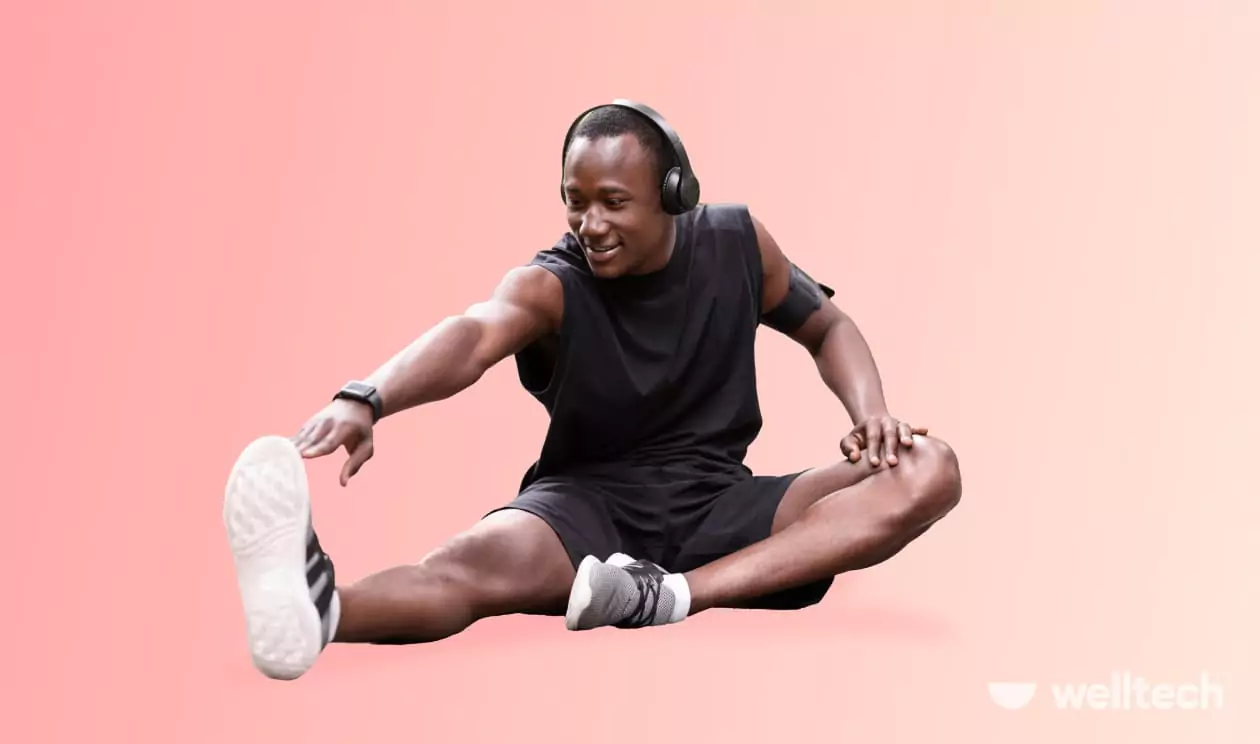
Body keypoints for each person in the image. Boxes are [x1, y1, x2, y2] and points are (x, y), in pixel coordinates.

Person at [223, 99, 963, 681]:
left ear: (674, 194)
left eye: (613, 202)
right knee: (467, 566)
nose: (589, 224)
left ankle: (672, 595)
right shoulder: (551, 284)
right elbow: (473, 335)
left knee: (929, 466)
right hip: (585, 508)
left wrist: (873, 417)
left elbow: (828, 326)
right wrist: (368, 396)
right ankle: (322, 608)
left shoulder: (737, 242)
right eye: (574, 201)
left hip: (719, 503)